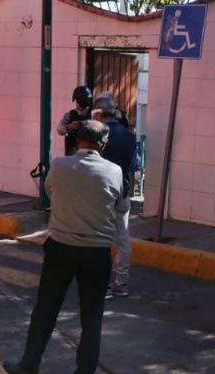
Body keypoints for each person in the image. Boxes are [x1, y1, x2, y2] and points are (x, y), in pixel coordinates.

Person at [3, 121, 124, 374]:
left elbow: (49, 191)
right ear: (103, 145)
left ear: (77, 141)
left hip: (61, 247)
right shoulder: (115, 171)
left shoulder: (59, 165)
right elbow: (119, 206)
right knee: (92, 318)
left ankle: (29, 366)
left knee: (45, 310)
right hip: (97, 252)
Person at [93, 94, 137, 298]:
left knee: (101, 240)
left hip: (102, 195)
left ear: (100, 114)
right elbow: (134, 165)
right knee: (123, 239)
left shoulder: (99, 135)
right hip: (123, 192)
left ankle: (102, 284)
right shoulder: (129, 136)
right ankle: (121, 282)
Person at [57, 86, 93, 156]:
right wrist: (70, 126)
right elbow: (59, 130)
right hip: (73, 152)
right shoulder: (70, 115)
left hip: (88, 152)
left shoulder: (93, 115)